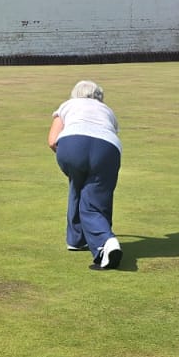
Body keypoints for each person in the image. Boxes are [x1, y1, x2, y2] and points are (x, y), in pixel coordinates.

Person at [48, 80, 123, 270]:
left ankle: (84, 240)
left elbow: (51, 141)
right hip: (107, 149)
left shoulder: (67, 105)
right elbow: (110, 134)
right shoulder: (107, 110)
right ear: (99, 96)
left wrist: (71, 159)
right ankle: (103, 241)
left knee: (78, 186)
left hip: (70, 145)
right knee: (95, 200)